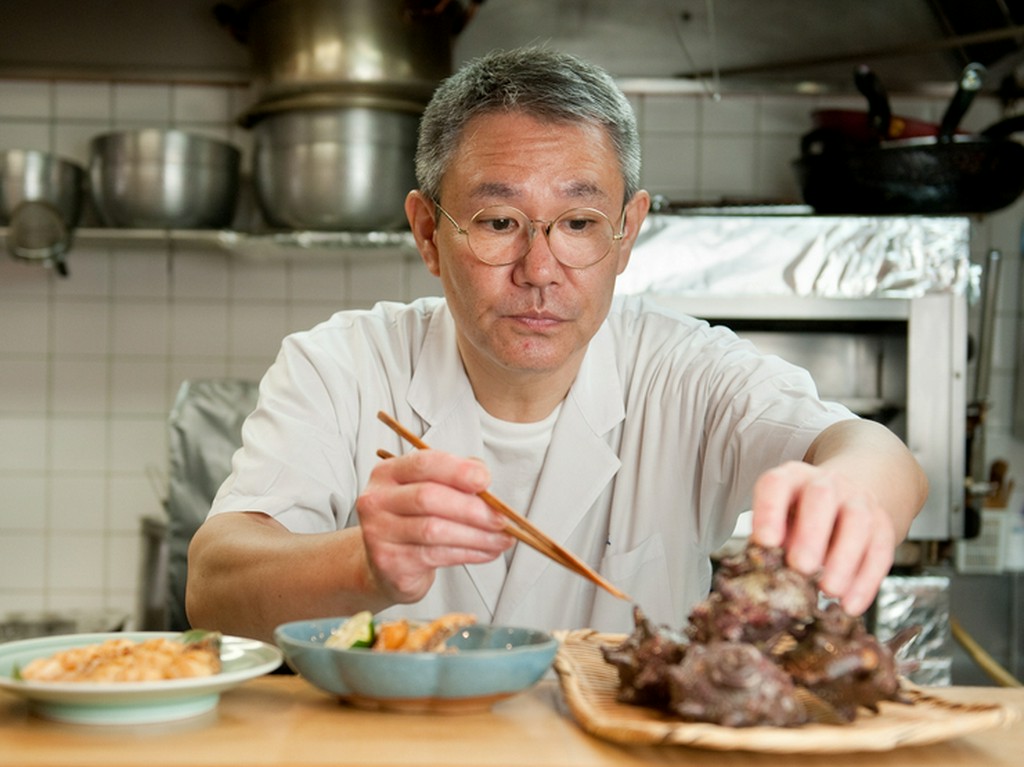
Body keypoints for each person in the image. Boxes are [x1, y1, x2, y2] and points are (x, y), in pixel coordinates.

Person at [186, 46, 928, 643]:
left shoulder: (681, 370)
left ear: (627, 232)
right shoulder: (343, 364)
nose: (539, 271)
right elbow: (213, 588)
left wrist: (851, 491)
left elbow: (870, 450)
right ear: (427, 233)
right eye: (499, 222)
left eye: (578, 225)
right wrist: (361, 561)